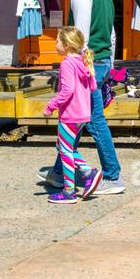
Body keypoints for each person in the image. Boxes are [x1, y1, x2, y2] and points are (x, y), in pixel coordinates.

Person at [38, 0, 125, 195]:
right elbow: (111, 33)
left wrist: (77, 65)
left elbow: (81, 36)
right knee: (75, 119)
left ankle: (112, 176)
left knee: (94, 122)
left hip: (89, 63)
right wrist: (110, 62)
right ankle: (58, 171)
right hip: (101, 60)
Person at [42, 26, 103, 204]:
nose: (55, 44)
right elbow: (92, 86)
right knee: (64, 147)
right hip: (83, 114)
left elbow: (67, 91)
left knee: (65, 151)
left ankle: (70, 190)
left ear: (67, 45)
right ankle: (87, 172)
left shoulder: (67, 63)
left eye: (57, 41)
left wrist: (51, 105)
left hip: (70, 114)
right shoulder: (83, 61)